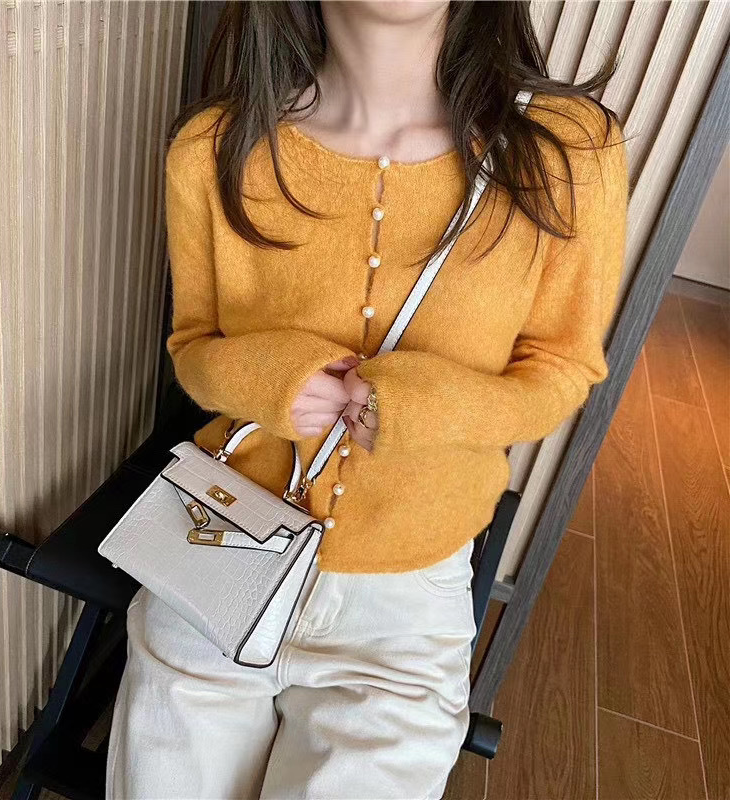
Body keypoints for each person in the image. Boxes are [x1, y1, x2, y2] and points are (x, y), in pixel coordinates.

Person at [107, 2, 628, 798]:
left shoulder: (566, 151)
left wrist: (430, 407)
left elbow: (562, 367)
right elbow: (194, 348)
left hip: (405, 611)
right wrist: (272, 378)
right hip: (219, 544)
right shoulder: (214, 147)